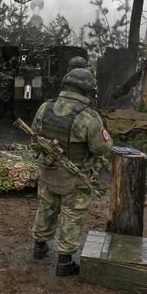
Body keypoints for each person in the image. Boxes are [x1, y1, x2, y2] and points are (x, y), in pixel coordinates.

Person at [30, 68, 112, 276]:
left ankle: (39, 247)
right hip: (76, 176)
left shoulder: (45, 108)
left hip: (48, 171)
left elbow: (34, 138)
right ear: (87, 91)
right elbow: (101, 148)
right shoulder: (89, 117)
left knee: (46, 207)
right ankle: (64, 263)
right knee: (72, 214)